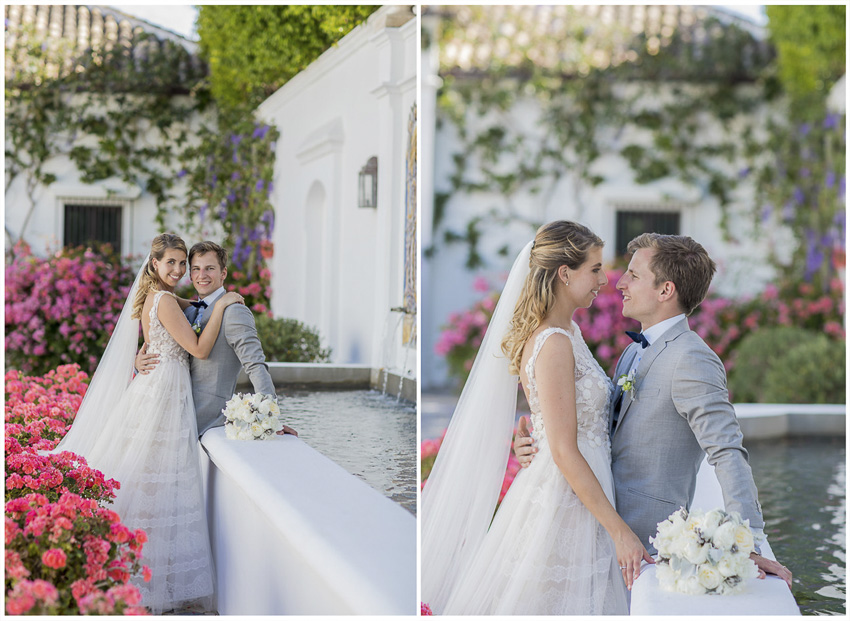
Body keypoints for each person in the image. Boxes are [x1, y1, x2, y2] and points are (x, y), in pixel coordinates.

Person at [514, 232, 792, 588]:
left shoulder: (692, 359)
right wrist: (539, 445)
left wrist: (747, 541)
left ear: (665, 291)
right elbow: (597, 426)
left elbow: (726, 451)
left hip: (645, 540)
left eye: (633, 275)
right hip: (594, 526)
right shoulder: (633, 350)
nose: (620, 283)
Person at [422, 221, 649, 615]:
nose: (604, 278)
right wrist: (619, 531)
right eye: (594, 268)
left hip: (584, 488)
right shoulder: (554, 342)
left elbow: (555, 416)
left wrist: (530, 432)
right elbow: (563, 449)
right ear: (565, 273)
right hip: (565, 497)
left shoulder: (570, 332)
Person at [53, 233, 246, 613]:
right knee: (154, 482)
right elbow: (200, 348)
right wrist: (222, 305)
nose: (177, 270)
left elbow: (173, 324)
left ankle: (136, 571)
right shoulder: (164, 300)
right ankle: (140, 578)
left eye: (181, 263)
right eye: (170, 263)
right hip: (163, 394)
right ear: (154, 264)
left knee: (148, 481)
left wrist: (145, 354)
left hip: (158, 384)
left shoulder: (159, 298)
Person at [135, 241, 297, 438]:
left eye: (209, 268)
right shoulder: (186, 308)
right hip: (172, 412)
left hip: (207, 418)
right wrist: (140, 362)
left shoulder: (234, 311)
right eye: (196, 269)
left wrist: (270, 418)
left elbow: (255, 365)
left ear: (223, 273)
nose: (202, 275)